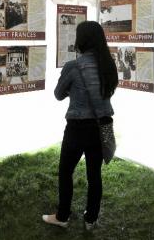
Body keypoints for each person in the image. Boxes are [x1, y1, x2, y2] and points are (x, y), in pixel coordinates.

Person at [42, 21, 118, 230]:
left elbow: (58, 95)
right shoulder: (108, 65)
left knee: (66, 172)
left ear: (81, 39)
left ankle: (63, 216)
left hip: (76, 128)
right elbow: (108, 93)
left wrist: (72, 90)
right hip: (99, 127)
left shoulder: (73, 66)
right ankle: (91, 219)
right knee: (95, 175)